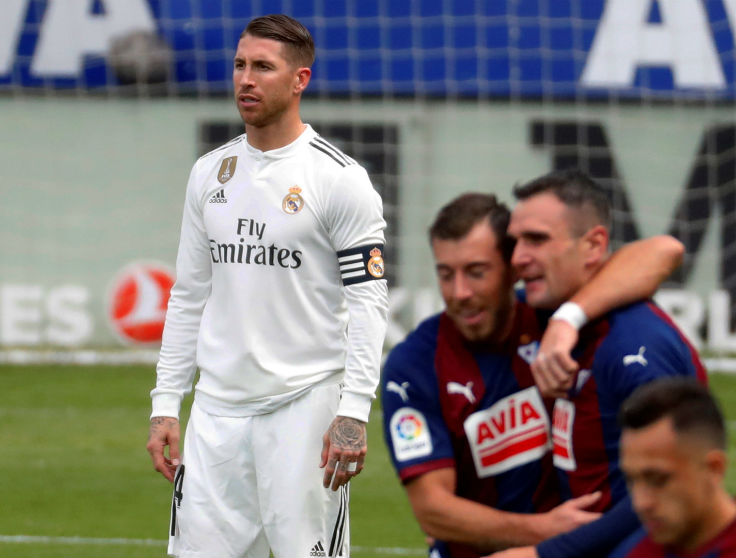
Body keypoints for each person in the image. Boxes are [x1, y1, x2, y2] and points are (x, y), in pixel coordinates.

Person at [146, 14, 388, 558]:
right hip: (215, 412)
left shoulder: (339, 179)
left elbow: (368, 303)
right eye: (239, 65)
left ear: (300, 79)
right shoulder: (210, 173)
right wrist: (166, 403)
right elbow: (188, 296)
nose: (245, 80)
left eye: (262, 67)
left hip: (303, 407)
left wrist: (352, 411)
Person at [381, 192, 682, 557]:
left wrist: (566, 320)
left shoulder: (550, 316)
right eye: (446, 274)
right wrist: (543, 532)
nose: (459, 292)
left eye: (476, 272)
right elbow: (432, 509)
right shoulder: (414, 364)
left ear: (513, 268)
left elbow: (663, 251)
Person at [488, 169, 707, 558]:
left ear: (593, 246)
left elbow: (667, 494)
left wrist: (543, 554)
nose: (519, 258)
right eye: (514, 242)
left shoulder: (634, 346)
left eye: (537, 239)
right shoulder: (549, 318)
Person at [613, 377, 736, 557]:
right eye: (631, 480)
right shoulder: (640, 551)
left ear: (714, 469)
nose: (641, 503)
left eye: (658, 480)